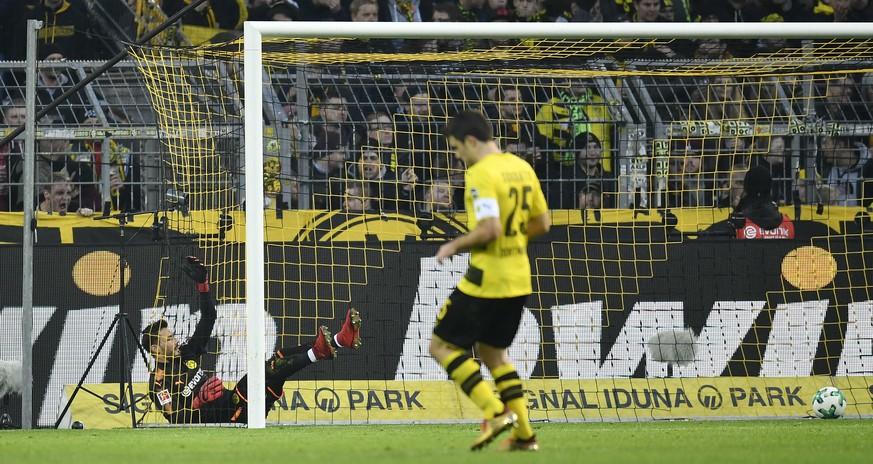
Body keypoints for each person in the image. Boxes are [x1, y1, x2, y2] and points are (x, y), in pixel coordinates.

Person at [429, 110, 549, 452]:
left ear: (470, 141)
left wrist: (453, 244)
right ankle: (525, 435)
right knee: (493, 352)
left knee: (440, 347)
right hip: (519, 276)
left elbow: (489, 229)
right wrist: (513, 241)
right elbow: (542, 222)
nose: (456, 156)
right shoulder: (521, 167)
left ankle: (495, 411)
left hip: (488, 277)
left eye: (455, 148)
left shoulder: (480, 174)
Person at [141, 256, 362, 424]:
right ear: (155, 348)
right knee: (263, 371)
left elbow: (209, 317)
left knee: (280, 358)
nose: (176, 340)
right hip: (229, 416)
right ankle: (319, 351)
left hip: (239, 404)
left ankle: (340, 340)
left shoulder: (188, 353)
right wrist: (197, 402)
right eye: (169, 339)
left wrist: (203, 287)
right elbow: (175, 420)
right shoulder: (159, 383)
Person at [707, 166, 794, 239]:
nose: (741, 189)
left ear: (747, 187)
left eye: (742, 183)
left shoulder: (737, 225)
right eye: (739, 183)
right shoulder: (787, 222)